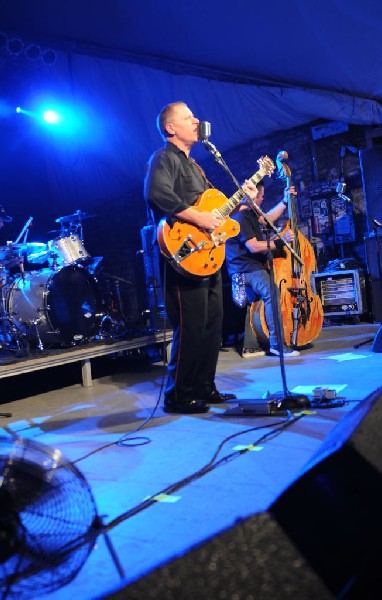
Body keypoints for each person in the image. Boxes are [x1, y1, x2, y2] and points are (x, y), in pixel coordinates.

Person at [144, 101, 258, 414]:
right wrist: (198, 218)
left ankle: (205, 387)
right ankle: (178, 396)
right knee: (191, 326)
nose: (196, 121)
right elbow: (157, 195)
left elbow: (215, 212)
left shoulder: (195, 166)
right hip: (183, 255)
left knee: (211, 325)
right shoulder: (163, 158)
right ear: (170, 128)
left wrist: (240, 202)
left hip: (207, 255)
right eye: (188, 117)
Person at [226, 182, 300, 357]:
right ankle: (277, 345)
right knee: (272, 293)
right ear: (251, 197)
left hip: (248, 267)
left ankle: (253, 345)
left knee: (260, 300)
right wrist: (280, 241)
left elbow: (267, 219)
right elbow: (253, 247)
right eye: (259, 197)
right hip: (245, 269)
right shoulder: (240, 216)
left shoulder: (248, 213)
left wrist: (284, 201)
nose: (261, 200)